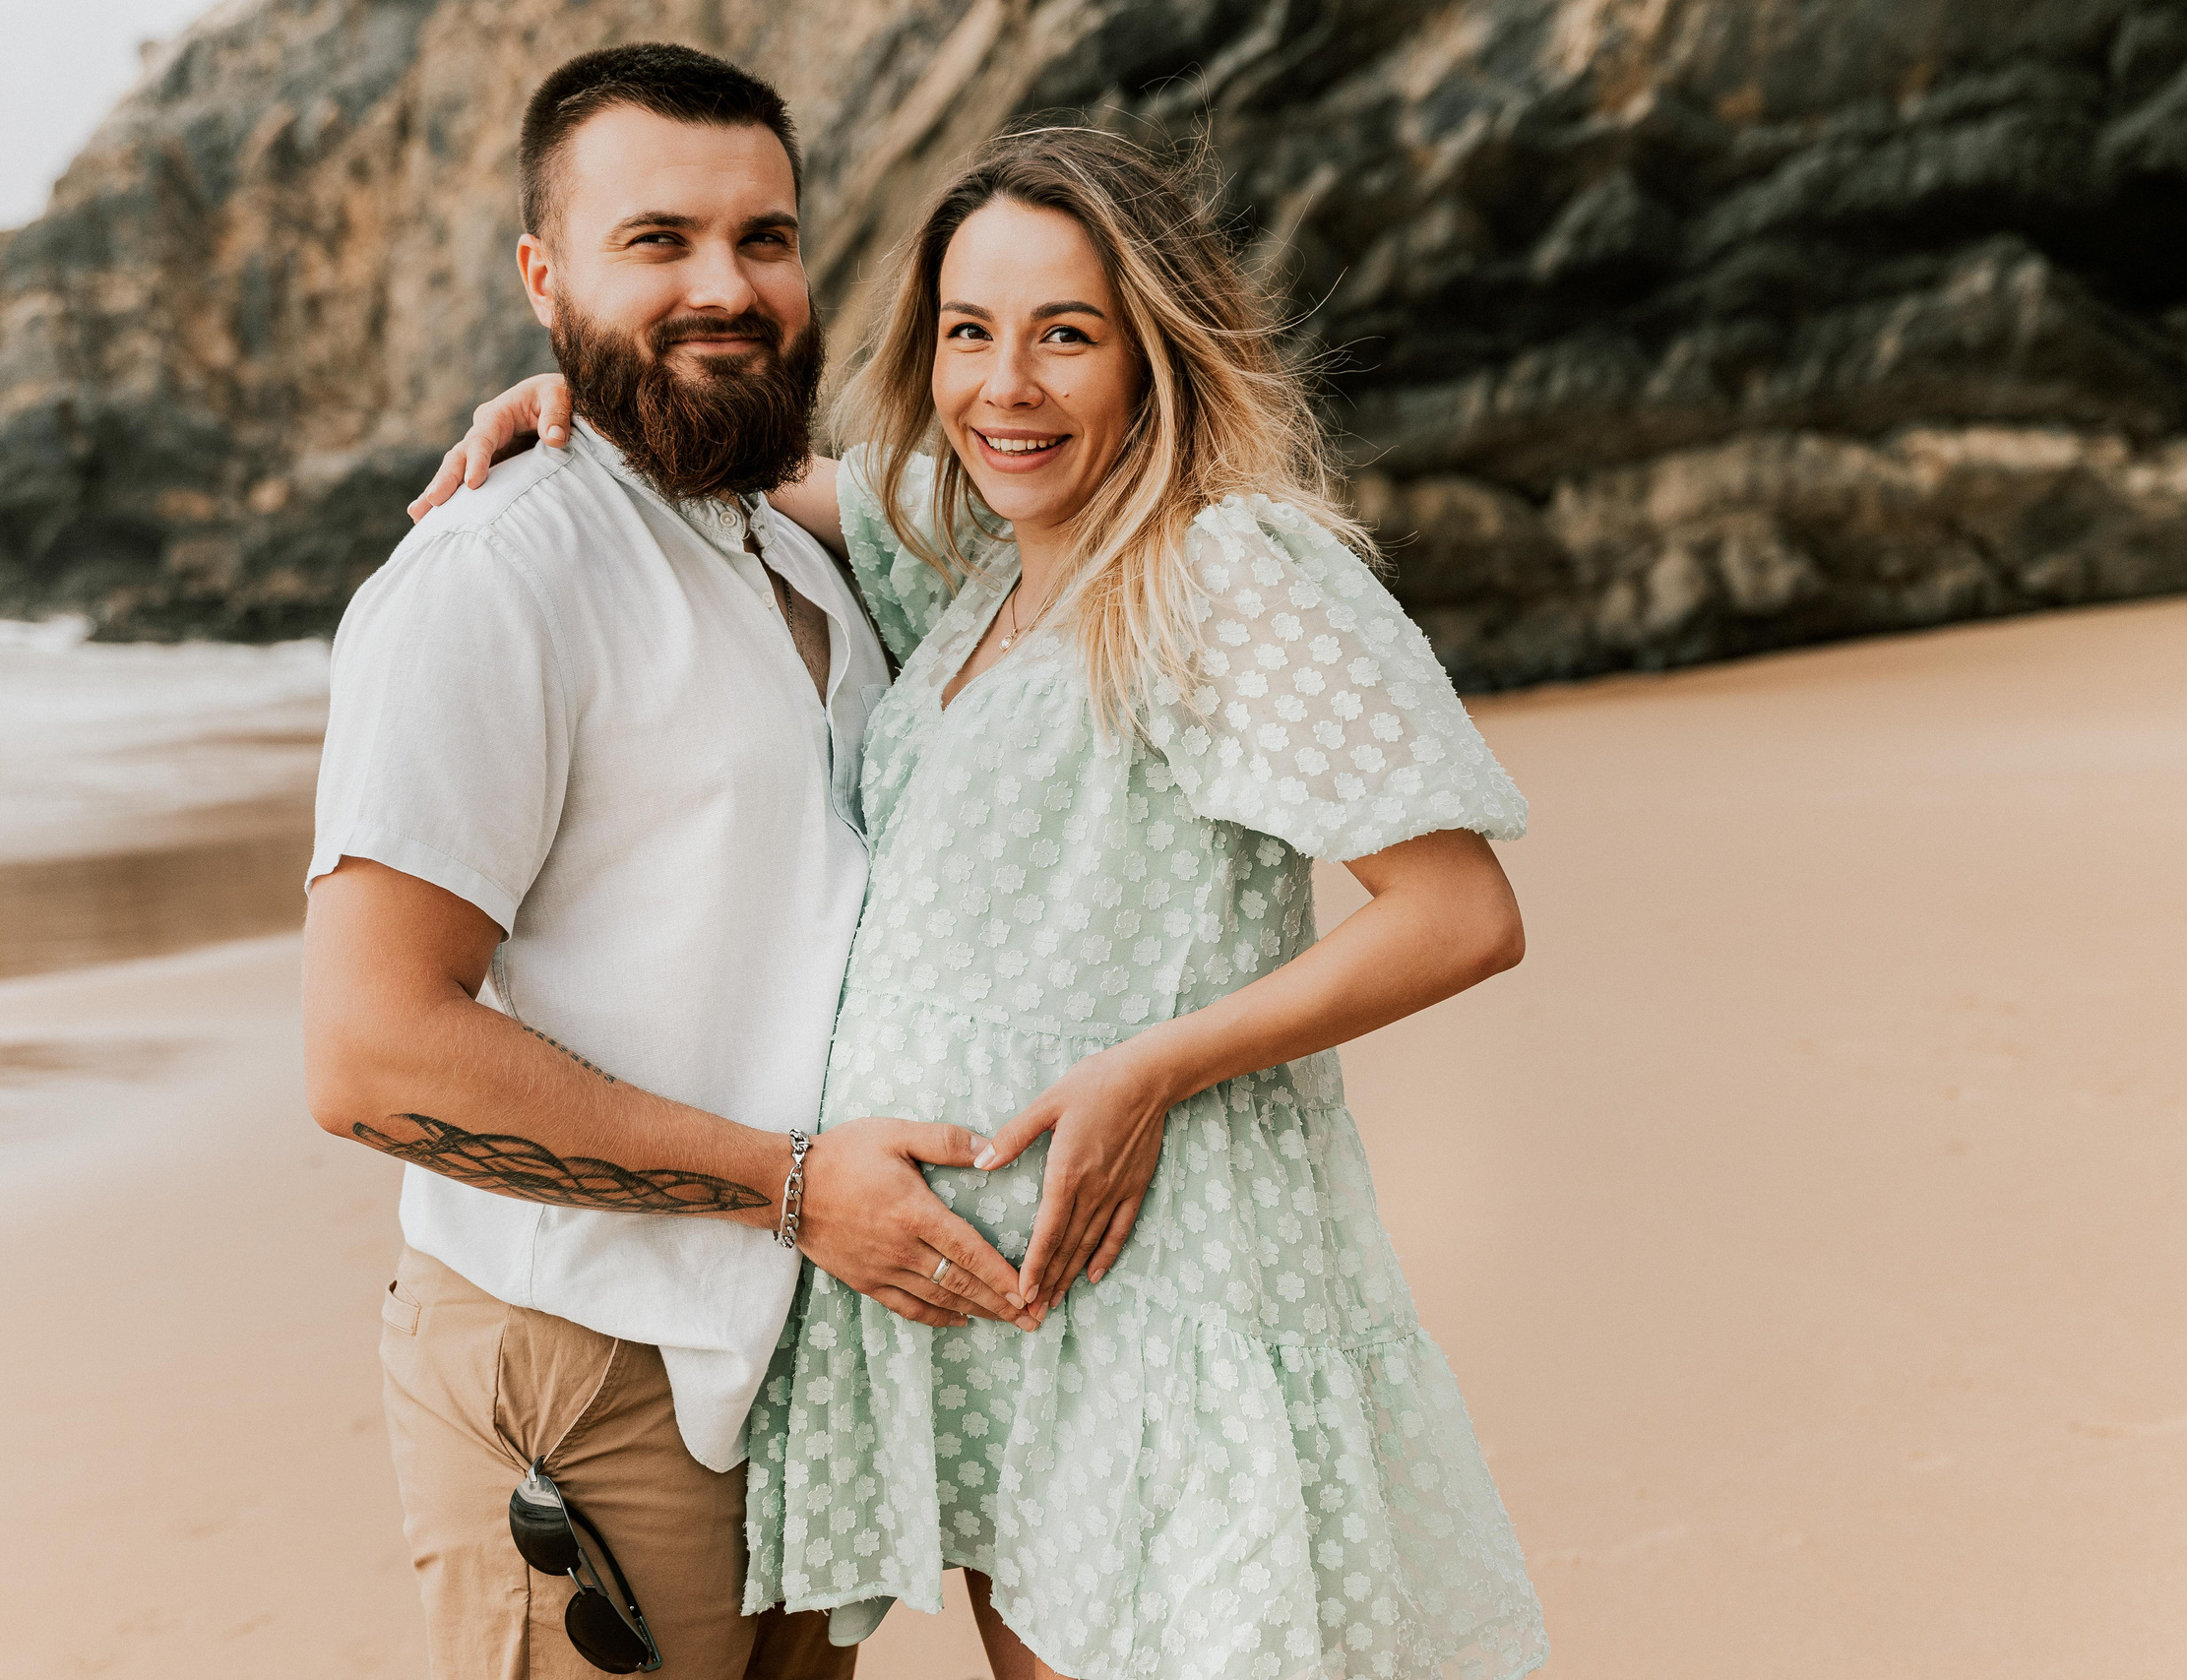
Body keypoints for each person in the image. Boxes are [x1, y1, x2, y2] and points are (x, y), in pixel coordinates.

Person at [428, 124, 1551, 1680]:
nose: (1005, 387)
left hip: (1168, 1293)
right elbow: (754, 471)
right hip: (1002, 1330)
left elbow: (1458, 912)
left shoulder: (1223, 568)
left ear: (1156, 355)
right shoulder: (968, 569)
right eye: (969, 333)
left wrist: (1157, 1063)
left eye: (1066, 336)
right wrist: (572, 399)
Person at [302, 44, 1043, 1680]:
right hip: (588, 1359)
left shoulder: (793, 538)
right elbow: (366, 1054)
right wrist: (788, 1188)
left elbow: (1090, 510)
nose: (728, 284)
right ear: (543, 276)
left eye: (763, 240)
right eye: (660, 244)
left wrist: (642, 410)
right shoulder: (495, 576)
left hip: (800, 1348)